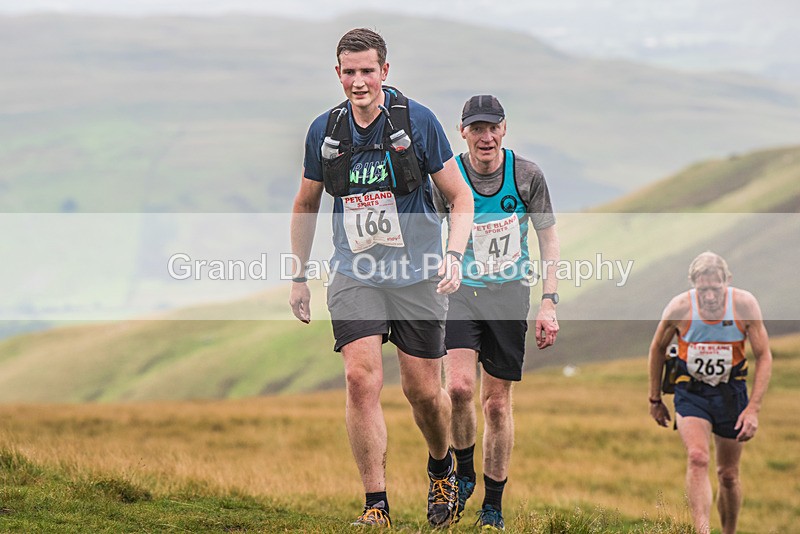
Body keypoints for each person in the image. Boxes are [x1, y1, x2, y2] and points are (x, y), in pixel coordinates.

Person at [288, 28, 473, 528]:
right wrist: (299, 276)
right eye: (349, 72)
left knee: (423, 393)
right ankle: (376, 504)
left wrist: (454, 255)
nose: (358, 81)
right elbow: (306, 204)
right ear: (338, 74)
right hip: (356, 272)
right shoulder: (325, 133)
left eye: (367, 70)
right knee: (359, 378)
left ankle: (440, 467)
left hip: (418, 277)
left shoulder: (418, 122)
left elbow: (460, 197)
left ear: (384, 72)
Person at [436, 95, 561, 530]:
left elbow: (547, 238)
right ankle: (464, 469)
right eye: (477, 128)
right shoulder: (448, 176)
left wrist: (549, 301)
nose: (485, 136)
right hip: (459, 293)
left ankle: (493, 504)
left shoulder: (526, 175)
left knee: (496, 404)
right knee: (458, 388)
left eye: (493, 127)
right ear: (463, 131)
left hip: (509, 295)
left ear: (504, 129)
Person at [648, 252, 772, 534]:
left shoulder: (744, 305)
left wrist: (753, 409)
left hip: (731, 392)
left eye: (716, 289)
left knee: (728, 474)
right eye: (703, 290)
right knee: (698, 457)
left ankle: (729, 531)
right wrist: (655, 399)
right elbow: (656, 348)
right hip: (691, 391)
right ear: (693, 285)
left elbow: (764, 356)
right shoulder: (680, 308)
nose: (711, 297)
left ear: (727, 282)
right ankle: (701, 531)